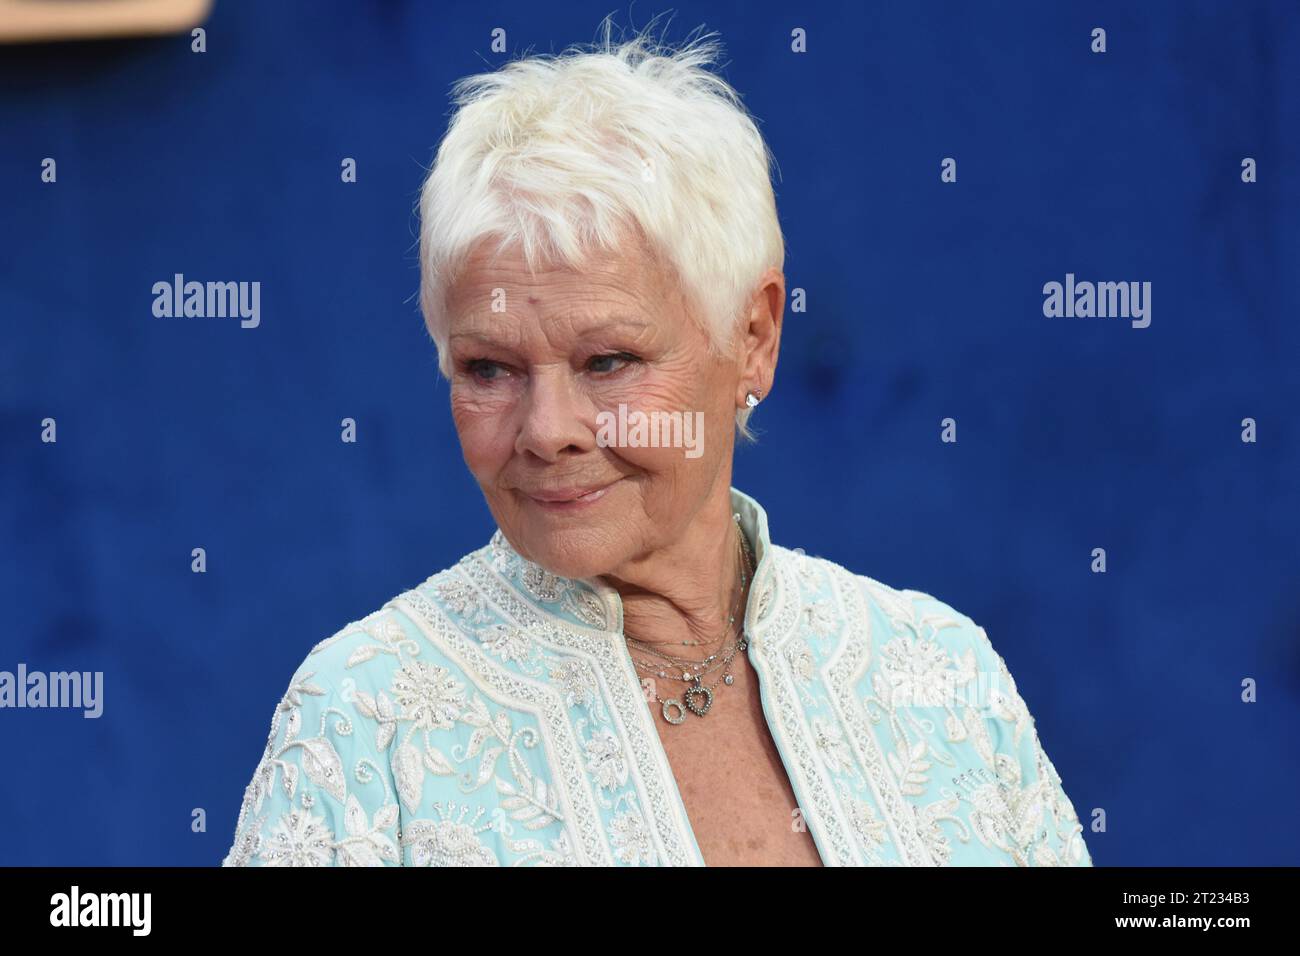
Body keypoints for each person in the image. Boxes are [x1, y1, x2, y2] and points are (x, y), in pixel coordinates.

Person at [222, 21, 1092, 867]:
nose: (548, 431)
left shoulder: (938, 673)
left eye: (608, 360)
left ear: (753, 336)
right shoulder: (365, 723)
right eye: (489, 369)